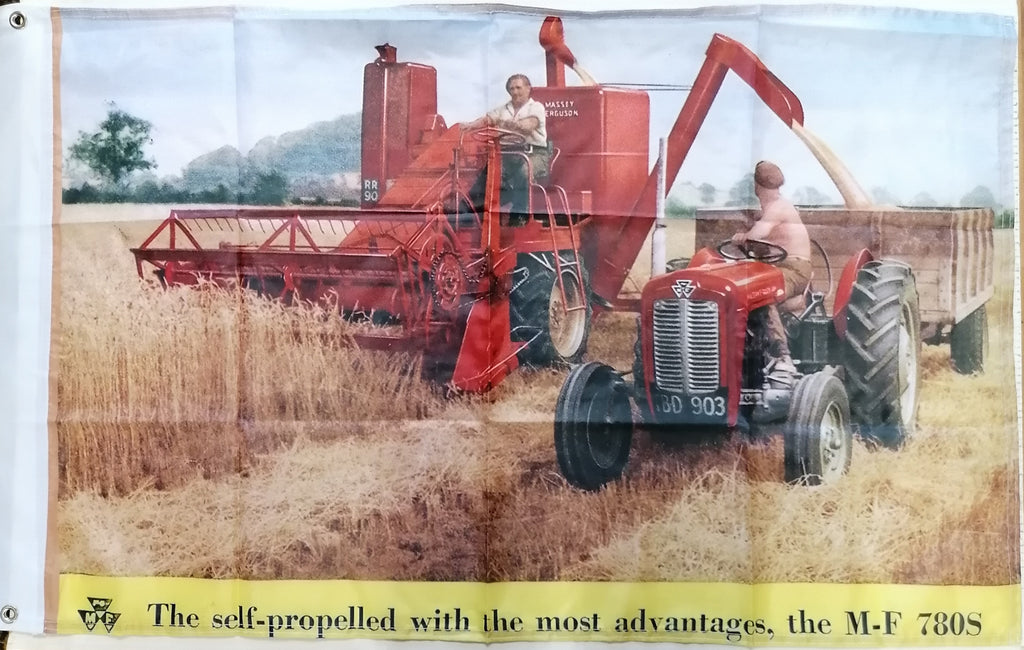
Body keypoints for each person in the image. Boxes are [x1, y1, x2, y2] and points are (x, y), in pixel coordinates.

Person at [731, 160, 812, 385]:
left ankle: (782, 357)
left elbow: (760, 232)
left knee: (761, 293)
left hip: (795, 269)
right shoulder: (772, 208)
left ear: (756, 186)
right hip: (777, 269)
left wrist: (743, 237)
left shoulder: (778, 207)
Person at [463, 74, 550, 218]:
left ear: (528, 89)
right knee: (488, 174)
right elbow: (487, 119)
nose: (515, 92)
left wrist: (506, 124)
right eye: (511, 89)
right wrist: (470, 125)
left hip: (534, 154)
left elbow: (527, 126)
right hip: (509, 154)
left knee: (523, 172)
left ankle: (520, 215)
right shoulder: (503, 109)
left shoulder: (536, 107)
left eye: (518, 88)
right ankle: (468, 213)